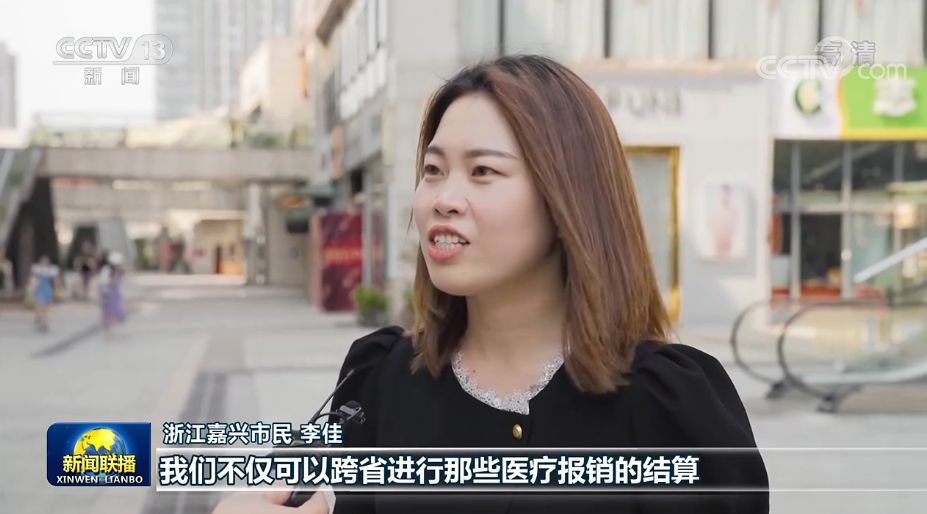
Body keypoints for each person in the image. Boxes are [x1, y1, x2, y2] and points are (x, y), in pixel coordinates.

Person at [214, 55, 768, 514]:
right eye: (433, 171)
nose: (443, 199)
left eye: (483, 172)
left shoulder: (668, 404)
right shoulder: (380, 379)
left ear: (567, 201)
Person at [98, 251, 126, 339]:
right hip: (108, 294)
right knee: (107, 314)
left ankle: (112, 332)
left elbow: (120, 284)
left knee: (116, 313)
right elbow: (103, 283)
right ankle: (108, 333)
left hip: (115, 295)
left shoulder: (118, 271)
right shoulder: (106, 270)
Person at [28, 256, 60, 332]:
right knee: (40, 305)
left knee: (46, 307)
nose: (44, 264)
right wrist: (32, 287)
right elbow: (34, 279)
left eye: (46, 263)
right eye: (43, 263)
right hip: (40, 289)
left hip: (48, 289)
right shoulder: (37, 270)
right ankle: (41, 319)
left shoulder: (51, 271)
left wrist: (57, 289)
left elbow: (55, 280)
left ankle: (44, 321)